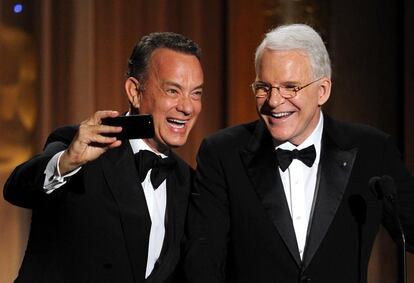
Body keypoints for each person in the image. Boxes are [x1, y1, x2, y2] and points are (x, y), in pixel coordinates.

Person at [184, 24, 414, 283]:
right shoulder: (222, 154)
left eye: (290, 87)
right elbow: (201, 266)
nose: (273, 101)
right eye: (264, 87)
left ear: (323, 90)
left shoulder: (372, 150)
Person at [4, 32, 204, 283]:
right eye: (173, 91)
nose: (188, 107)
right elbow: (17, 190)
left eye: (196, 93)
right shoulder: (79, 149)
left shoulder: (190, 183)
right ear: (134, 91)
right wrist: (66, 163)